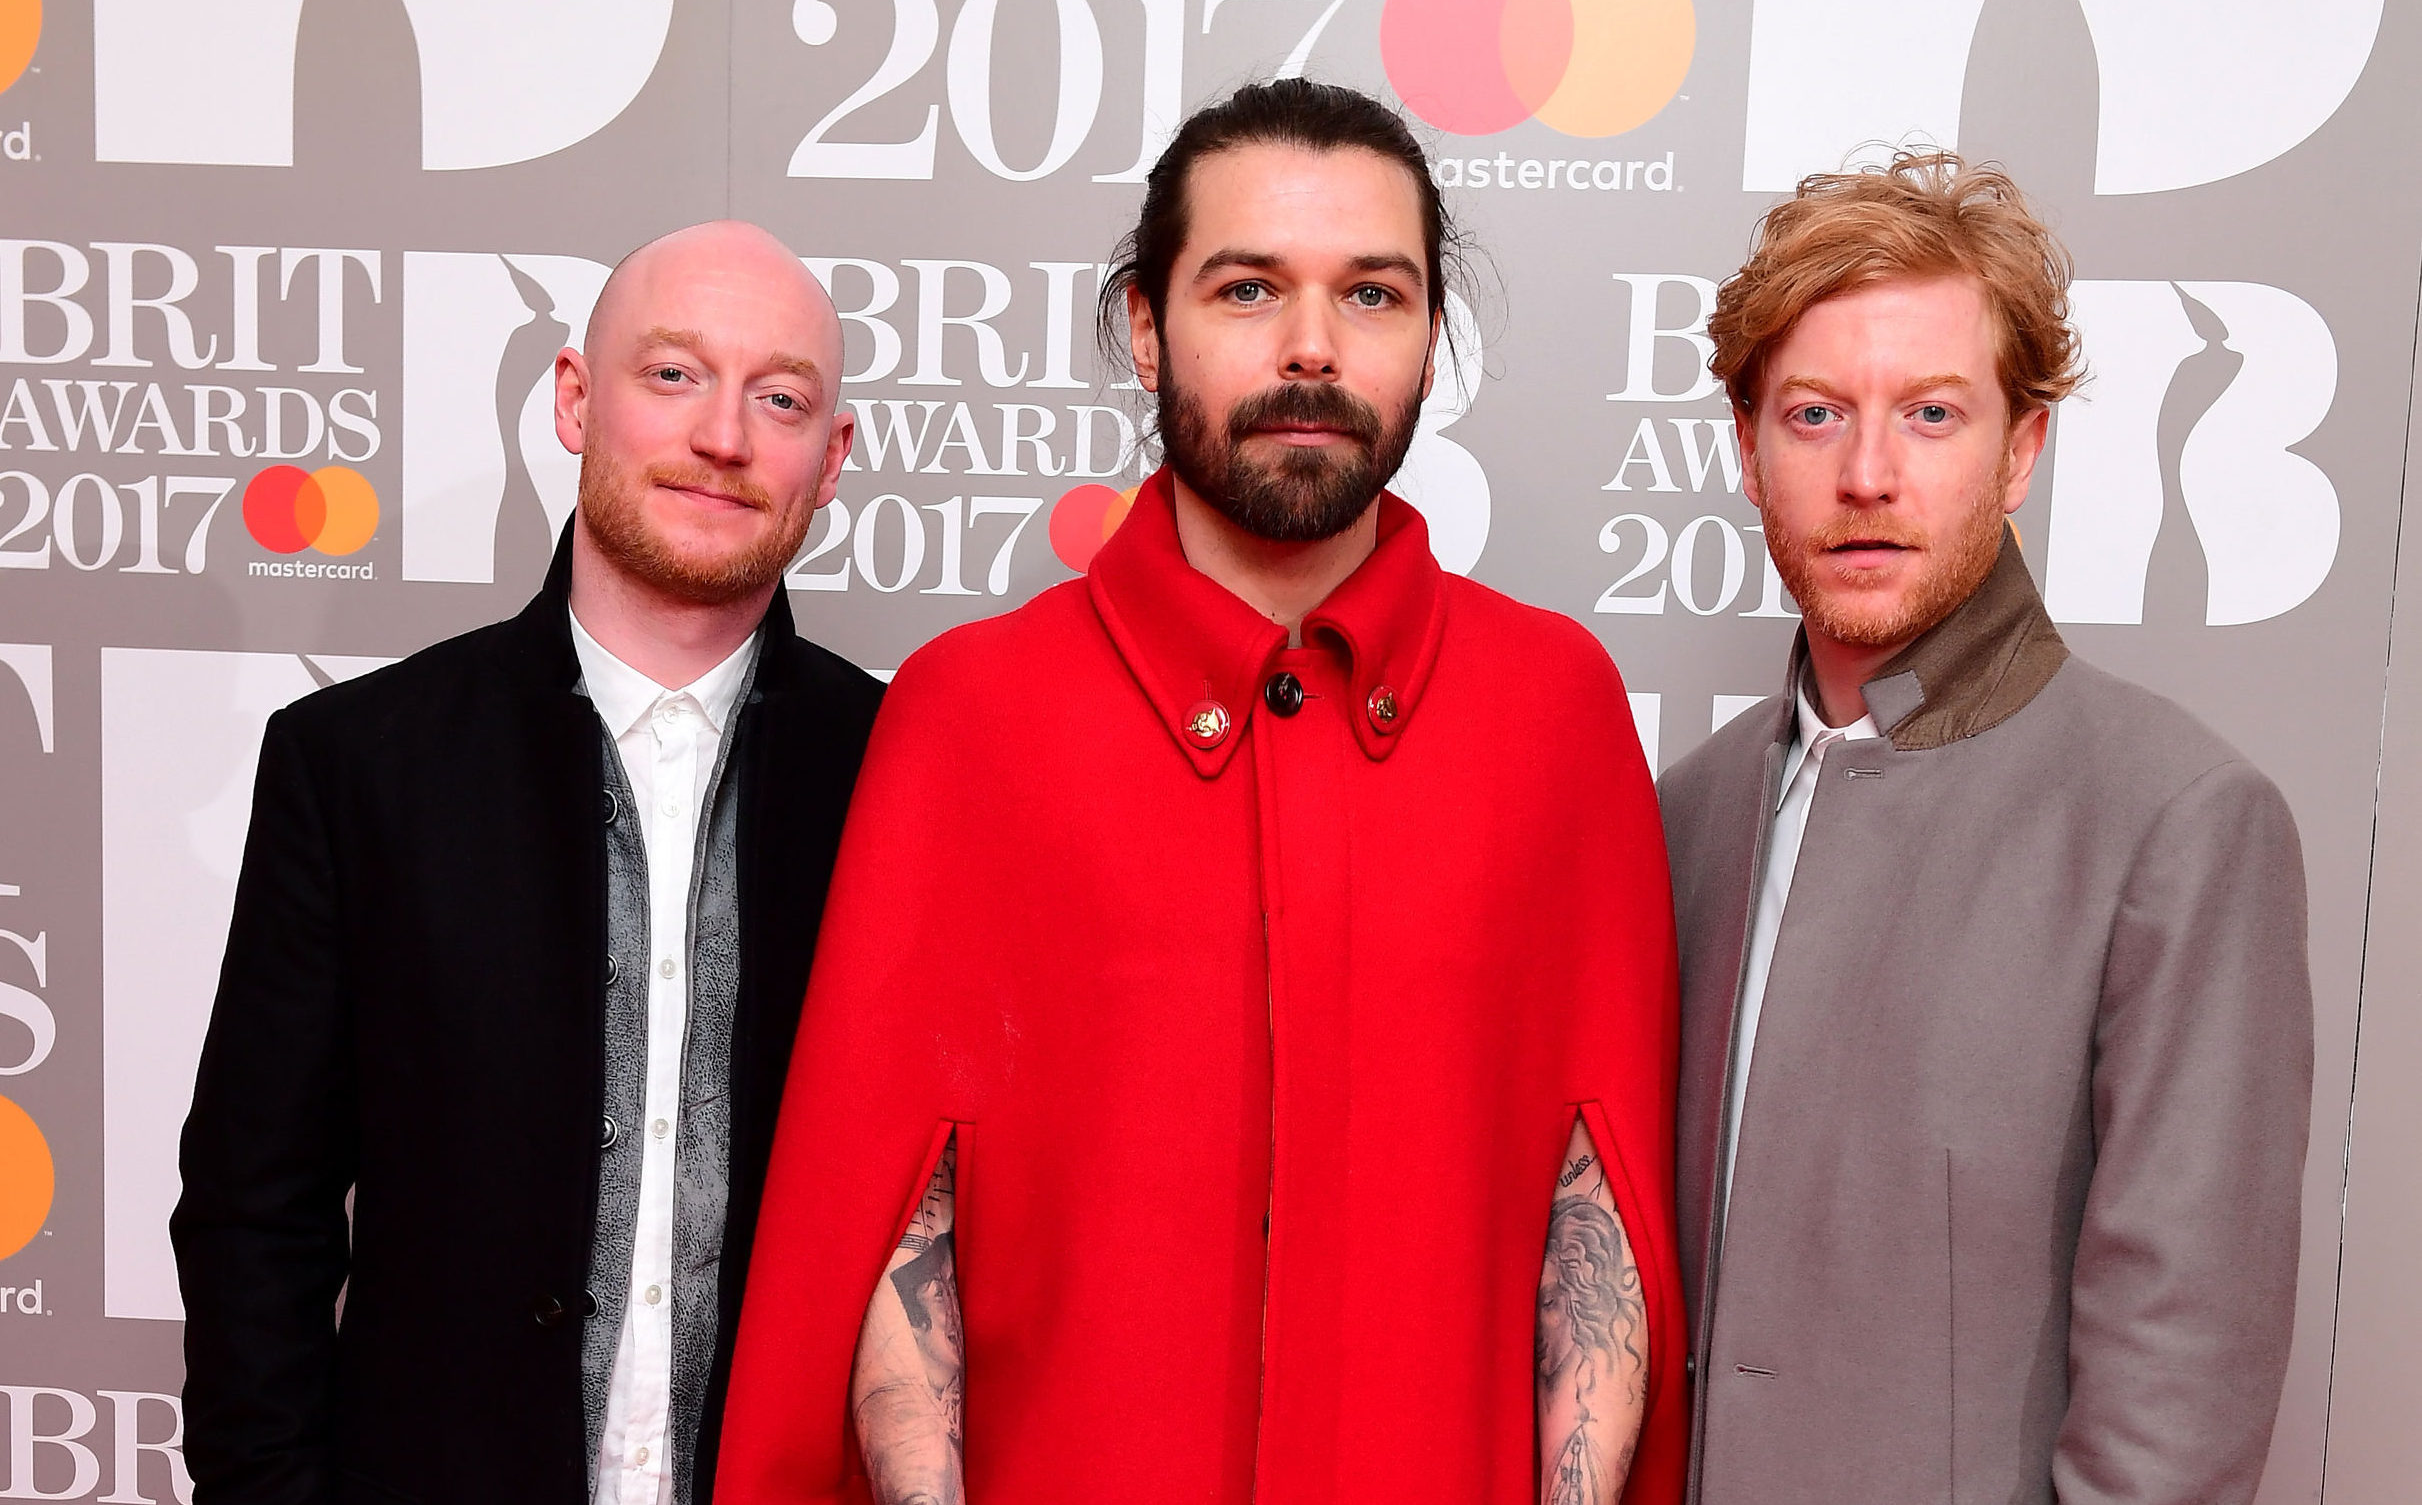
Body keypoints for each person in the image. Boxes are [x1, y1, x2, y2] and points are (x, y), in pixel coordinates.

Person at [715, 80, 1687, 1505]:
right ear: (1142, 323)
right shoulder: (970, 712)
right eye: (1247, 288)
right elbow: (887, 1219)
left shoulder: (1557, 711)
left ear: (1429, 334)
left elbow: (1596, 1216)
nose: (1310, 347)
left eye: (1371, 293)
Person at [172, 222, 884, 1505]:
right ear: (572, 399)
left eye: (779, 398)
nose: (723, 435)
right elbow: (249, 1218)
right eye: (671, 374)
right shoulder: (358, 766)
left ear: (828, 460)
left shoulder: (908, 780)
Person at [1660, 153, 2312, 1504]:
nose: (1868, 472)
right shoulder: (1681, 815)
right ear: (1745, 447)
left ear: (2020, 450)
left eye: (1933, 412)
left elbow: (2173, 1410)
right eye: (1816, 412)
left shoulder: (2177, 823)